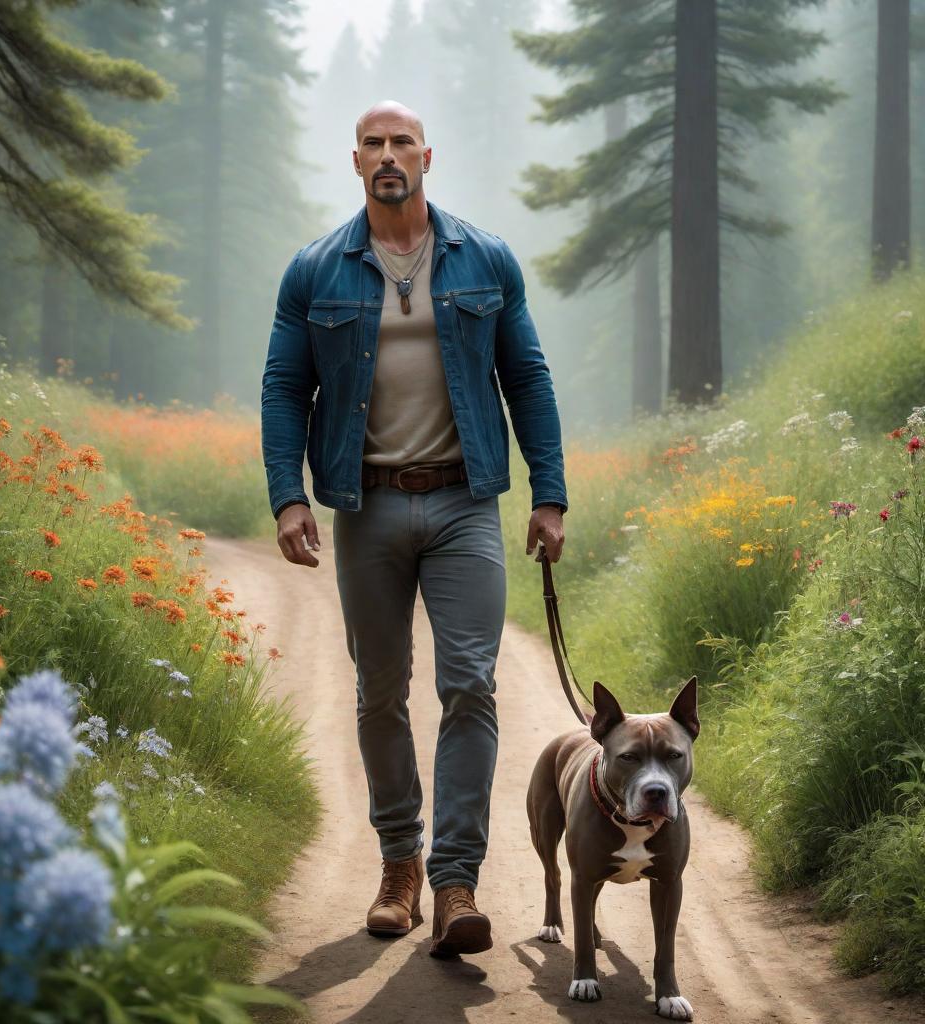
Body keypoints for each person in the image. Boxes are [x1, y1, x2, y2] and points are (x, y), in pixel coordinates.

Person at [260, 99, 568, 958]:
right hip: (366, 505)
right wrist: (289, 496)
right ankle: (399, 864)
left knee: (469, 684)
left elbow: (528, 378)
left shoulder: (485, 259)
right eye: (373, 144)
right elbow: (285, 388)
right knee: (379, 693)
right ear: (354, 161)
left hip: (467, 501)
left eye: (402, 142)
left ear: (426, 156)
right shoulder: (315, 271)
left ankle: (455, 879)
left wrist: (551, 494)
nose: (388, 155)